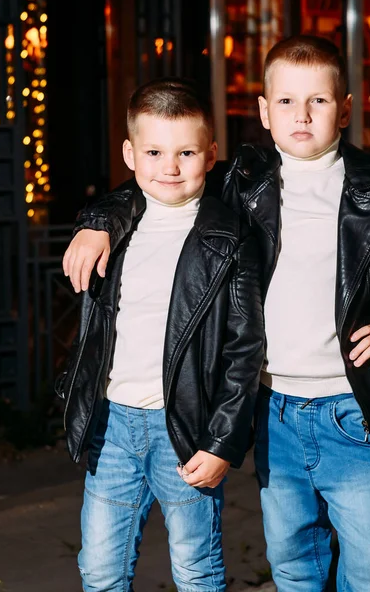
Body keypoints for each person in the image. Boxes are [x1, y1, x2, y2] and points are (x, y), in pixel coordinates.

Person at [61, 36, 370, 592]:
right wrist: (98, 218)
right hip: (272, 405)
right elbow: (163, 178)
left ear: (344, 108)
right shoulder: (240, 181)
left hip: (350, 407)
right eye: (285, 102)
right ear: (263, 110)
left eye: (319, 102)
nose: (301, 116)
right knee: (294, 563)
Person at [56, 76, 265, 592]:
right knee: (101, 569)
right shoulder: (114, 227)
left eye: (186, 152)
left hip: (185, 431)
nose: (169, 168)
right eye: (153, 151)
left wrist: (222, 441)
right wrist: (96, 220)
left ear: (211, 153)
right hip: (114, 427)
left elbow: (244, 349)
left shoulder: (229, 238)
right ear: (130, 154)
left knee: (196, 570)